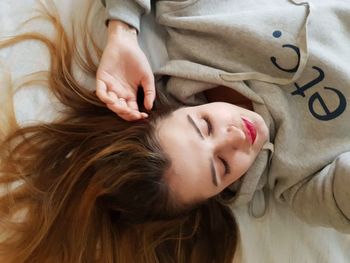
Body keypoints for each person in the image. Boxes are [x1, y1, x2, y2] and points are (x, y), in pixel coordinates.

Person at [97, 0, 350, 233]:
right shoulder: (301, 185)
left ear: (174, 108)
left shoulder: (192, 23)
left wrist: (122, 32)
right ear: (218, 192)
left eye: (205, 126)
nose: (236, 137)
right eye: (222, 166)